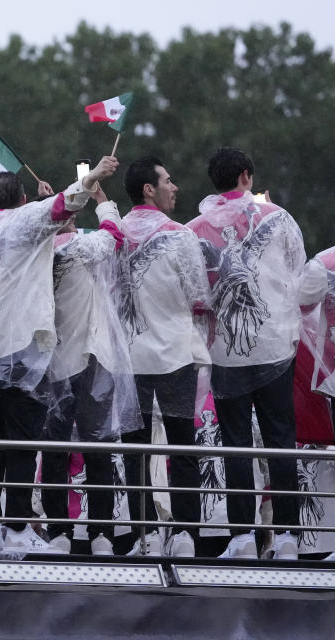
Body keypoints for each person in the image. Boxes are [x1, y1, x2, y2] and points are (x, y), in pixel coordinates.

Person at [0, 156, 117, 553]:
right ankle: (15, 528)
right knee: (25, 440)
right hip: (26, 345)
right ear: (24, 199)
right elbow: (65, 205)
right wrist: (94, 177)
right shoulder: (23, 221)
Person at [187, 147, 320, 560]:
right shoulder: (278, 218)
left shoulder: (193, 229)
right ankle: (287, 539)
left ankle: (242, 537)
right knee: (280, 441)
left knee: (235, 446)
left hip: (225, 352)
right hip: (275, 346)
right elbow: (300, 280)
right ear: (246, 176)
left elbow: (194, 293)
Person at [117, 156, 211, 557]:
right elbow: (199, 296)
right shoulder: (180, 236)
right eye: (168, 181)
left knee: (135, 449)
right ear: (149, 190)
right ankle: (186, 534)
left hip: (129, 357)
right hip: (174, 355)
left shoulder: (112, 234)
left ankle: (144, 535)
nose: (175, 187)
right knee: (182, 446)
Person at [40, 182, 141, 556]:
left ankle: (62, 533)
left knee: (59, 450)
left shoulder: (36, 253)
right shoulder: (80, 247)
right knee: (93, 449)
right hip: (81, 361)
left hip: (64, 362)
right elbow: (112, 236)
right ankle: (99, 533)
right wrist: (103, 201)